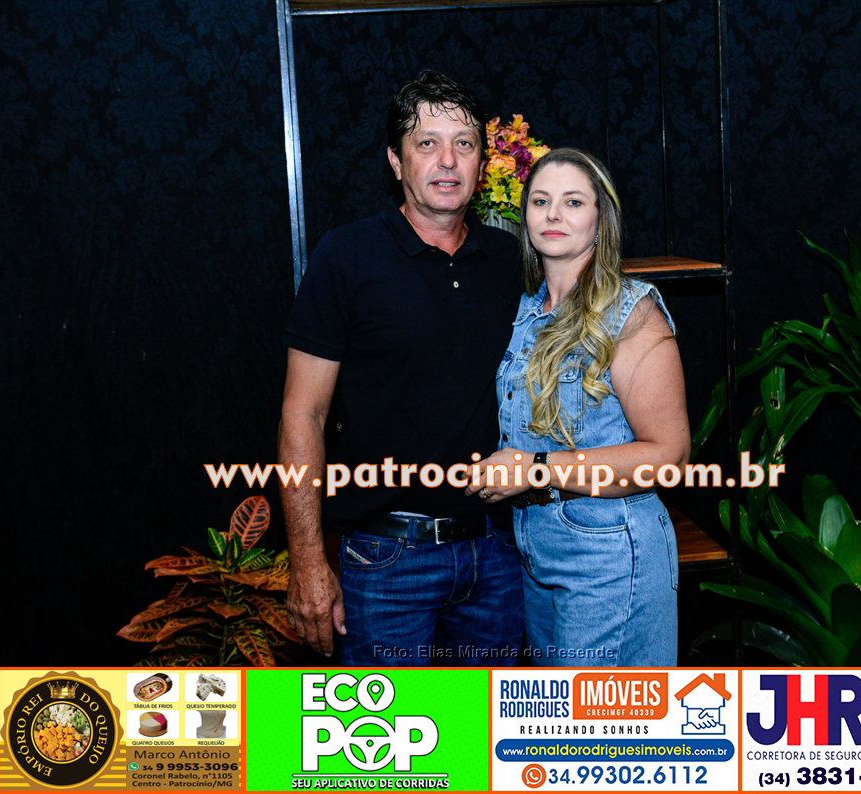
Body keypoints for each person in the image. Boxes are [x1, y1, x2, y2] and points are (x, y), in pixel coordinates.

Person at [279, 70, 524, 666]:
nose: (448, 161)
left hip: (498, 558)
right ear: (395, 160)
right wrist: (307, 561)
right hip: (386, 560)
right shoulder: (346, 256)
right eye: (427, 143)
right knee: (387, 728)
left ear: (482, 162)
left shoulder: (513, 259)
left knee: (484, 726)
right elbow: (302, 414)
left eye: (464, 144)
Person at [467, 148, 690, 666]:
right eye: (540, 201)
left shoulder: (631, 313)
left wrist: (536, 468)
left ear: (600, 219)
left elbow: (669, 457)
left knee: (598, 718)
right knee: (559, 714)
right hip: (535, 554)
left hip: (610, 557)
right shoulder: (525, 312)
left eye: (572, 202)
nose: (553, 214)